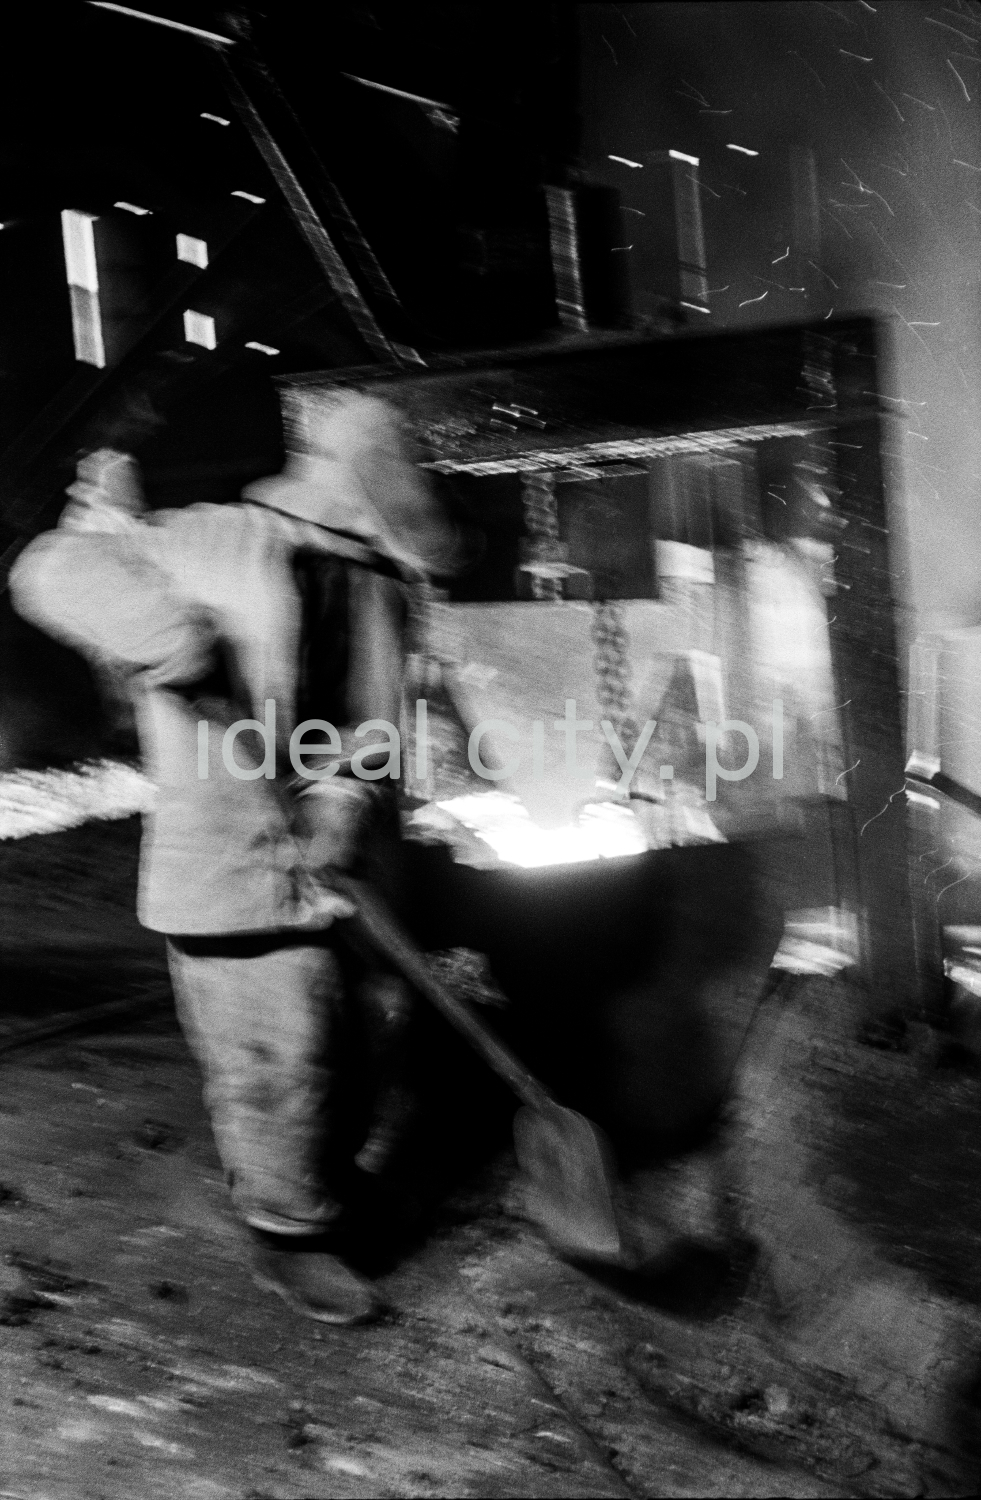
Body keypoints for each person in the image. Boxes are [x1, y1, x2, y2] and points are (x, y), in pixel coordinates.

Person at [10, 391, 463, 1324]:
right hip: (232, 874)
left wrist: (344, 797)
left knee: (364, 1038)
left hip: (344, 874)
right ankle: (287, 1232)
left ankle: (329, 1189)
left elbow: (370, 723)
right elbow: (51, 569)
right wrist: (163, 636)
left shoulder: (375, 579)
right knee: (277, 1061)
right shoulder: (209, 539)